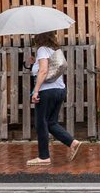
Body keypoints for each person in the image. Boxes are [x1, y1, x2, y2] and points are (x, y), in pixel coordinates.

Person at [26, 31, 82, 166]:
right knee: (51, 122)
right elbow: (47, 67)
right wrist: (35, 63)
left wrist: (35, 91)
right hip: (59, 90)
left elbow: (44, 71)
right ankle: (72, 143)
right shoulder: (54, 50)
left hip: (46, 91)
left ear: (39, 37)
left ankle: (44, 157)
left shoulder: (42, 50)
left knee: (41, 124)